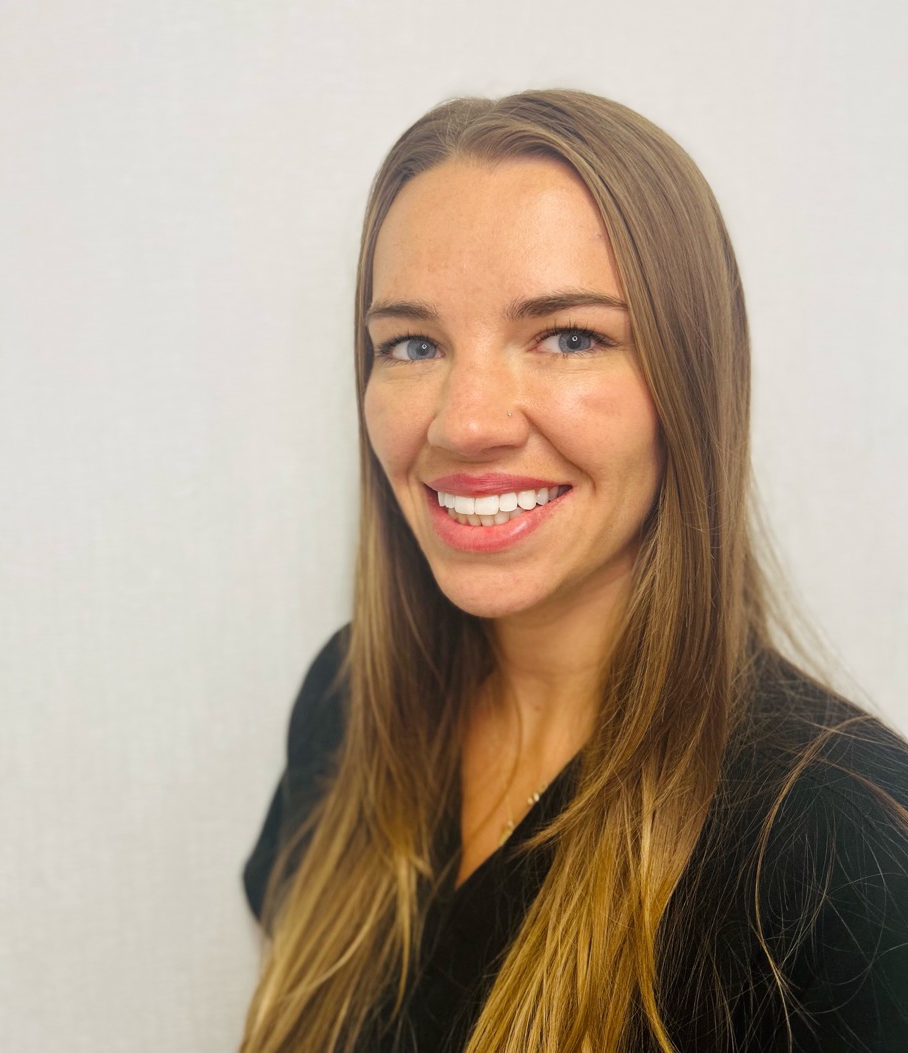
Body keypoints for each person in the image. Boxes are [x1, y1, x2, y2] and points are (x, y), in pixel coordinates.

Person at [239, 90, 908, 1053]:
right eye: (413, 344)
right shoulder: (347, 706)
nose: (465, 421)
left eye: (568, 336)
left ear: (689, 379)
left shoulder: (844, 844)